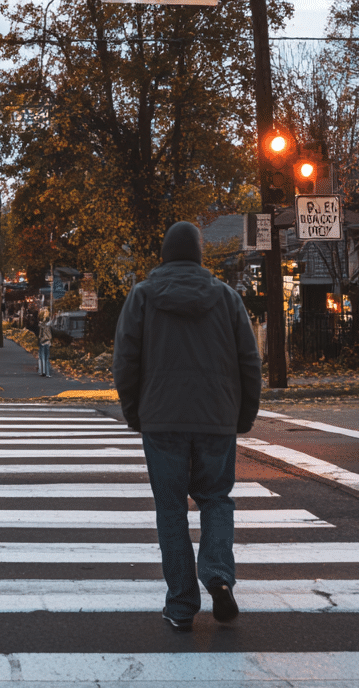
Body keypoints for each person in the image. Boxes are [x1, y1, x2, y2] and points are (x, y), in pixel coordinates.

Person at [112, 221, 262, 633]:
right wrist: (244, 414)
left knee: (172, 510)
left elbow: (125, 361)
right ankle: (218, 575)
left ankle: (181, 604)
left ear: (164, 255)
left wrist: (134, 411)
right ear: (200, 255)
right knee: (216, 499)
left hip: (162, 419)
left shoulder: (142, 296)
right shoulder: (227, 299)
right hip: (217, 418)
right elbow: (250, 361)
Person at [36, 305, 53, 377]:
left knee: (41, 356)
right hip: (48, 341)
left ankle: (41, 371)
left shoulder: (40, 325)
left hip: (42, 341)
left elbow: (39, 334)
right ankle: (47, 373)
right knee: (47, 357)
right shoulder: (48, 324)